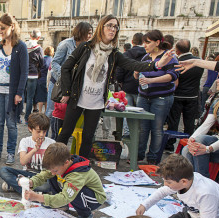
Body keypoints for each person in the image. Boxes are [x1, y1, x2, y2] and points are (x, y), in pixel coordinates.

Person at [57, 17, 171, 159]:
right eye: (109, 26)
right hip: (77, 98)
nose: (112, 29)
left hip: (96, 102)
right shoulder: (86, 47)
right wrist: (67, 91)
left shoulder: (114, 53)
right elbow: (66, 67)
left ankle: (82, 169)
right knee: (65, 133)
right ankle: (54, 164)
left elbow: (132, 65)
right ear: (101, 27)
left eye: (115, 27)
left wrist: (156, 65)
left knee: (88, 138)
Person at [24, 142, 107, 218]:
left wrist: (38, 197)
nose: (53, 172)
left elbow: (65, 197)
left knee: (74, 191)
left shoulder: (78, 175)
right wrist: (32, 182)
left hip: (95, 199)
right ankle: (61, 205)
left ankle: (85, 215)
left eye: (55, 170)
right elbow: (46, 173)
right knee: (52, 175)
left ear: (66, 163)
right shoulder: (60, 164)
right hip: (78, 192)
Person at [0, 13, 29, 165]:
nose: (0, 31)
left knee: (11, 123)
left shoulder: (21, 47)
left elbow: (24, 72)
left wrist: (19, 93)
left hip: (11, 92)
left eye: (2, 28)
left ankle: (10, 153)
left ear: (12, 27)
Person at [135, 30, 179, 164]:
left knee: (157, 128)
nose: (144, 45)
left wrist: (151, 81)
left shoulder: (169, 57)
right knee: (142, 128)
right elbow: (137, 75)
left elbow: (173, 76)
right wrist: (136, 73)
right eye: (143, 42)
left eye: (147, 42)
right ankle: (138, 156)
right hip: (143, 96)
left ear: (158, 42)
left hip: (161, 98)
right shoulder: (145, 57)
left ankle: (153, 158)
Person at [46, 22, 93, 130]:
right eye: (89, 33)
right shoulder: (66, 44)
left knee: (66, 112)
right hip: (59, 83)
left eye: (91, 33)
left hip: (74, 85)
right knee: (51, 111)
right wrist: (65, 78)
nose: (90, 36)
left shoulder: (87, 47)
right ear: (82, 32)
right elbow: (54, 63)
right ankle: (44, 137)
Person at [181, 75, 219, 179]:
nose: (217, 80)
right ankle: (193, 185)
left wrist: (208, 149)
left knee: (199, 142)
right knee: (188, 149)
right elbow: (206, 124)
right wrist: (192, 140)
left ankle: (202, 185)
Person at [0, 112, 54, 194]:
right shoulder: (25, 141)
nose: (42, 135)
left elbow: (53, 170)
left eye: (44, 131)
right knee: (3, 170)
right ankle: (31, 191)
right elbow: (23, 162)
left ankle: (18, 187)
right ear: (30, 129)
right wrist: (35, 149)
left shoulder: (51, 143)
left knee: (48, 185)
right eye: (38, 131)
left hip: (43, 177)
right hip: (27, 174)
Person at [165, 39, 203, 151]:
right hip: (192, 96)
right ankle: (187, 144)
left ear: (177, 50)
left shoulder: (177, 61)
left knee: (174, 121)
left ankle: (170, 144)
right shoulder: (199, 61)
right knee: (189, 122)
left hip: (177, 95)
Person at [23, 29, 44, 123]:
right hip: (33, 74)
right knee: (30, 97)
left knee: (21, 95)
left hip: (23, 74)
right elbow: (42, 62)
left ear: (30, 35)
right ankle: (27, 117)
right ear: (38, 38)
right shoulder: (38, 48)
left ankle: (19, 114)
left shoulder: (24, 46)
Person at [37, 46, 53, 114]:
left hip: (40, 79)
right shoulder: (52, 60)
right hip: (48, 81)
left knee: (40, 97)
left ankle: (40, 111)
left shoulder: (42, 59)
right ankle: (46, 112)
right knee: (47, 97)